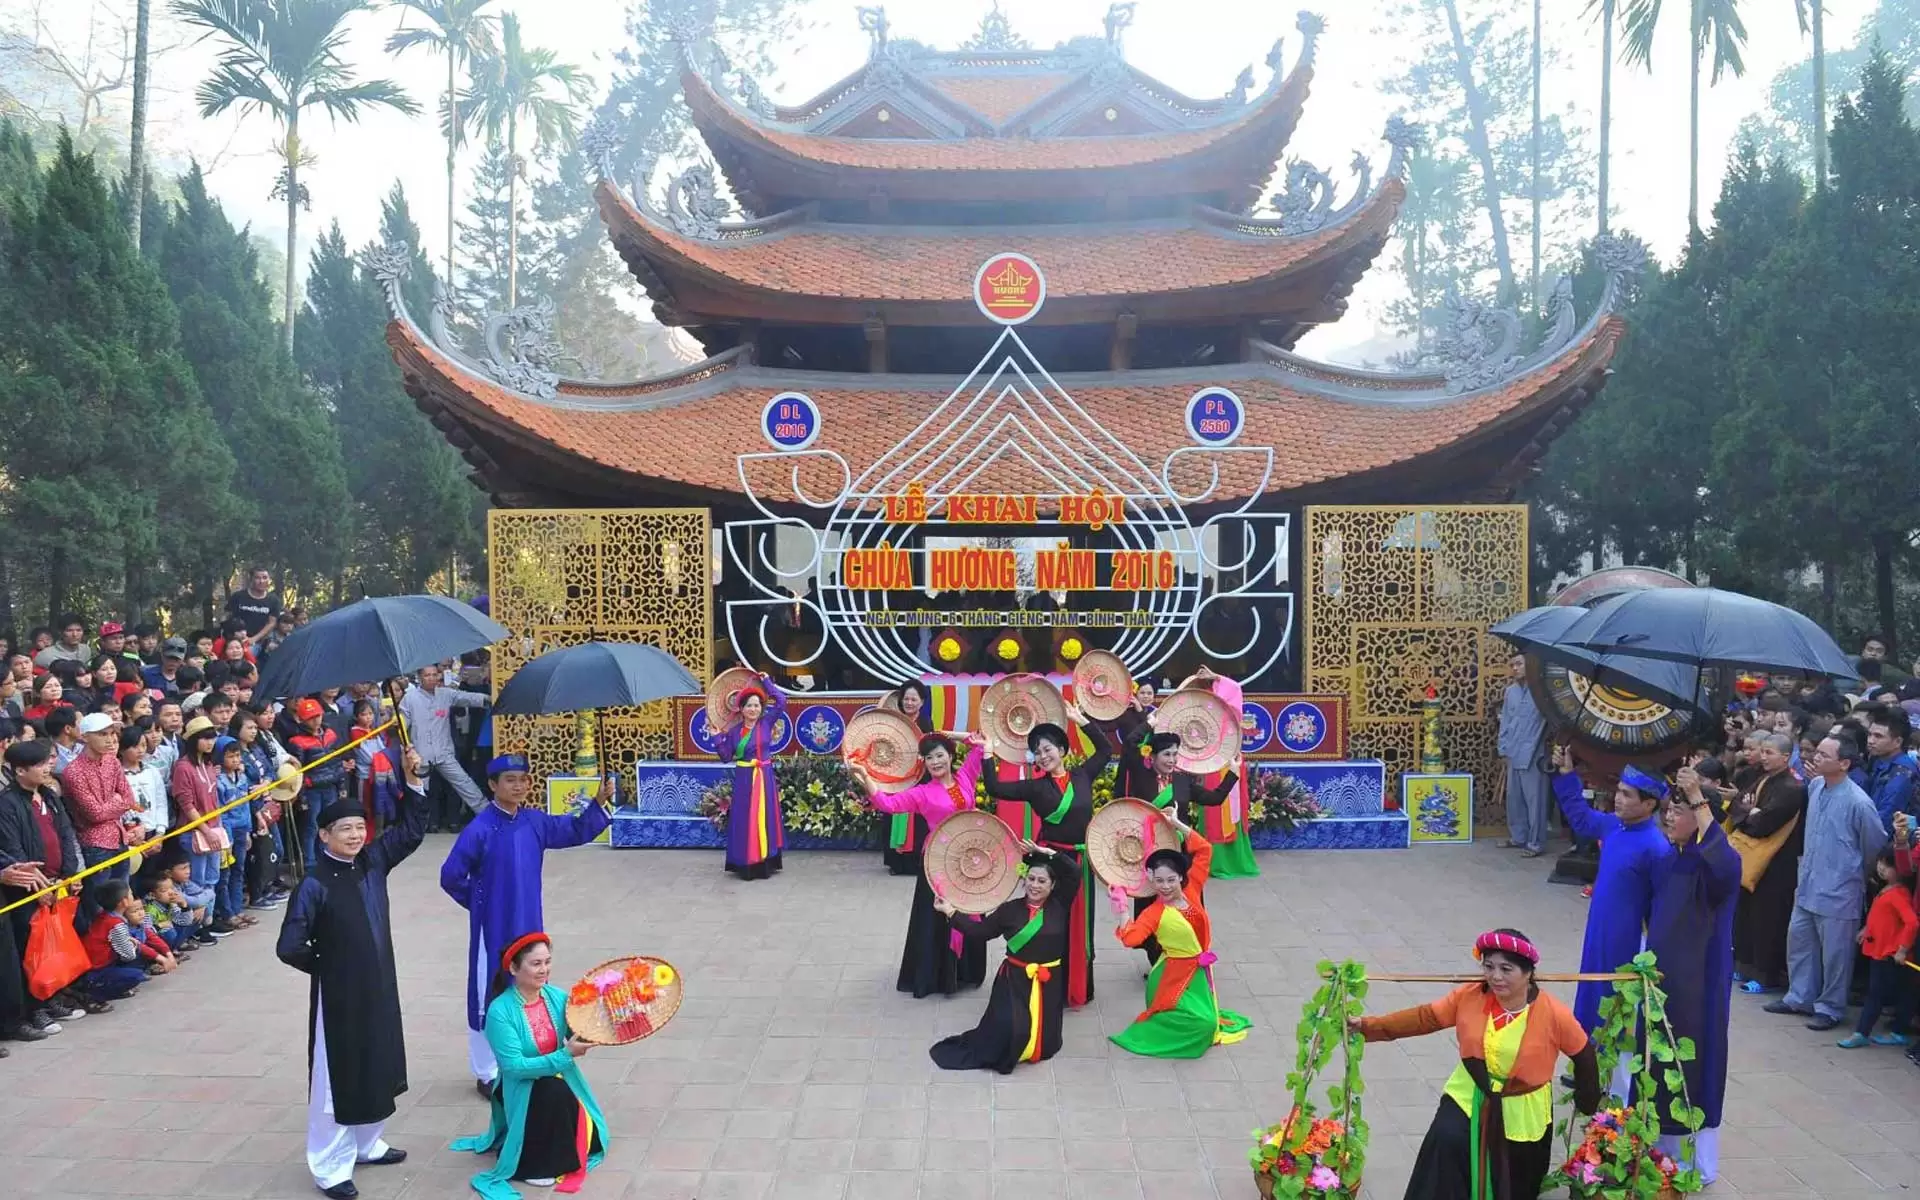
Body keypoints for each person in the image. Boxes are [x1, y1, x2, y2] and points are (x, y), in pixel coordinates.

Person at [276, 747, 429, 1200]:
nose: (355, 835)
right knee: (336, 1080)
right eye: (345, 829)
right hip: (339, 998)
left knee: (377, 1063)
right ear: (324, 835)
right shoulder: (314, 882)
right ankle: (329, 1167)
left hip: (380, 985)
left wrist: (412, 780)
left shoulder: (372, 862)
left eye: (360, 827)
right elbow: (289, 946)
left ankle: (368, 1142)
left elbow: (413, 831)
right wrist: (330, 968)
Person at [1353, 930, 1601, 1200]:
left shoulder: (1553, 1013)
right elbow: (1425, 1018)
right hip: (1470, 1091)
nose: (1495, 977)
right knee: (1446, 1143)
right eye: (1489, 966)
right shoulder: (1470, 996)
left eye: (1507, 969)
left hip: (1521, 1106)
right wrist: (1368, 1027)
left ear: (1529, 972)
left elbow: (1584, 1055)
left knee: (1513, 1178)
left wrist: (1587, 1099)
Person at [441, 754, 611, 1098]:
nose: (518, 786)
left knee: (529, 988)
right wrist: (481, 904)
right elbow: (451, 876)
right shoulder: (479, 830)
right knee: (490, 992)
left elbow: (573, 830)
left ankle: (526, 1056)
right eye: (509, 780)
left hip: (529, 925)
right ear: (492, 785)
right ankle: (487, 1072)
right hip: (494, 929)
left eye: (523, 779)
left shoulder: (534, 822)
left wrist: (599, 802)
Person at [451, 934, 609, 1197]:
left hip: (557, 1079)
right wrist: (565, 1055)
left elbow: (576, 1031)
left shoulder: (556, 997)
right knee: (553, 1092)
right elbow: (515, 1067)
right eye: (536, 964)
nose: (544, 969)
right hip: (520, 1086)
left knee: (591, 1139)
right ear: (514, 968)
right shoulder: (500, 1012)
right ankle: (534, 1163)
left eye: (547, 962)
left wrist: (600, 1022)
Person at [981, 710, 1110, 1008]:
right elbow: (995, 788)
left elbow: (1104, 749)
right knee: (1053, 923)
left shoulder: (1082, 775)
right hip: (1051, 863)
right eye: (1037, 752)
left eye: (1047, 749)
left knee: (1081, 923)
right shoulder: (1035, 787)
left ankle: (1078, 984)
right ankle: (1051, 984)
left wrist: (1081, 720)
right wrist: (988, 753)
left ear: (1062, 750)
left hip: (1079, 861)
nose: (1042, 755)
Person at [1647, 776, 1741, 1185]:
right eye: (1668, 809)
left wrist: (1701, 799)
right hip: (1664, 980)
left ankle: (1696, 1161)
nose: (1669, 816)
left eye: (1679, 810)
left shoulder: (1718, 864)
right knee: (1661, 1060)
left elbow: (1724, 864)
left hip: (1699, 982)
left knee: (1696, 1061)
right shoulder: (1668, 859)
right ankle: (1662, 1149)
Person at [847, 731, 990, 998]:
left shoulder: (966, 777)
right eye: (929, 758)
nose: (935, 762)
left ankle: (965, 973)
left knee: (969, 911)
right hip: (936, 863)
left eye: (940, 755)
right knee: (935, 920)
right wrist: (865, 776)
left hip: (968, 861)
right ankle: (934, 978)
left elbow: (980, 743)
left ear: (950, 756)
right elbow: (887, 804)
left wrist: (945, 734)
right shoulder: (922, 793)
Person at [1766, 734, 1888, 1031]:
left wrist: (1853, 875)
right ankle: (1799, 997)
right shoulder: (1817, 786)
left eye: (1823, 755)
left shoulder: (1860, 802)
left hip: (1840, 889)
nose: (1815, 758)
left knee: (1836, 954)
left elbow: (1874, 845)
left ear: (1844, 763)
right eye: (1815, 752)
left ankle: (1830, 1007)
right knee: (1800, 942)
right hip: (1808, 880)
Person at [1110, 809, 1251, 1058]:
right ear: (1152, 881)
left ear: (1181, 878)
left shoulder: (1193, 891)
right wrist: (1122, 909)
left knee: (1206, 1020)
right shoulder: (1154, 913)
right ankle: (1160, 1031)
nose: (1165, 887)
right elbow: (1131, 939)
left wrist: (1177, 824)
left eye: (1171, 880)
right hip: (1171, 975)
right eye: (1159, 881)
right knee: (1206, 1024)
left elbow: (1205, 849)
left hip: (1197, 972)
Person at [1550, 747, 1673, 1031]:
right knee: (1590, 989)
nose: (1618, 798)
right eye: (1619, 791)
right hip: (1600, 927)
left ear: (1649, 805)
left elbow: (1661, 906)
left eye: (1627, 795)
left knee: (1614, 999)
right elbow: (1581, 818)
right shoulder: (1615, 826)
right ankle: (1584, 1055)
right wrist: (1568, 775)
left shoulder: (1657, 848)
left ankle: (1606, 1064)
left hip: (1627, 937)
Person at [929, 846, 1079, 1073]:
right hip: (1014, 980)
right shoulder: (1010, 910)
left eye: (1042, 881)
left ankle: (1041, 1046)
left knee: (1045, 1033)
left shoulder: (1060, 904)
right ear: (1024, 879)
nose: (1035, 885)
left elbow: (1074, 872)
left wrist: (1046, 851)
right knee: (1009, 1029)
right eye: (1031, 879)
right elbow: (980, 933)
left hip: (1049, 979)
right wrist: (950, 912)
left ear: (1053, 885)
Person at [1724, 732, 1806, 995]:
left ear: (1786, 756)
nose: (1764, 757)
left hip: (1777, 864)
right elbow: (1736, 807)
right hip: (1752, 859)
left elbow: (1764, 824)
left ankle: (1766, 975)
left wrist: (1750, 813)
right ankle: (1743, 965)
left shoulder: (1792, 787)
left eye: (1770, 753)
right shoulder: (1762, 778)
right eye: (1764, 751)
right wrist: (1750, 812)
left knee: (1768, 920)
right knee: (1745, 916)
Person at [1176, 666, 1259, 878]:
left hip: (1227, 757)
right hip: (1206, 759)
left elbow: (1235, 689)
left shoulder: (1225, 704)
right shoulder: (1197, 706)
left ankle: (1228, 861)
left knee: (1227, 809)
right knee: (1211, 808)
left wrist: (1217, 677)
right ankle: (1209, 858)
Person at [1836, 848, 1916, 1050]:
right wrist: (1866, 929)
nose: (1881, 868)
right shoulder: (1887, 890)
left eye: (1888, 865)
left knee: (1877, 994)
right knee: (1898, 993)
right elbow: (1879, 915)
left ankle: (1862, 1032)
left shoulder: (1898, 894)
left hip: (1889, 955)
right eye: (1881, 862)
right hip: (1880, 951)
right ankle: (1896, 1031)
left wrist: (1902, 949)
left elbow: (1912, 923)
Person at [715, 673, 788, 881]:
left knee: (764, 818)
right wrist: (716, 738)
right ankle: (745, 862)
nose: (753, 709)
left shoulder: (767, 722)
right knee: (745, 819)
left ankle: (766, 861)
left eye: (757, 705)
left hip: (764, 777)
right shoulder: (735, 731)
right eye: (749, 706)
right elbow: (725, 757)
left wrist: (767, 682)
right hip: (745, 779)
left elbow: (782, 701)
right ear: (741, 709)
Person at [399, 664, 491, 820]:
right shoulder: (410, 698)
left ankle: (489, 816)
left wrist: (490, 697)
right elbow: (402, 727)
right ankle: (415, 823)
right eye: (427, 675)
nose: (432, 678)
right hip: (420, 755)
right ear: (420, 677)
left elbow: (468, 698)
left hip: (444, 752)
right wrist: (408, 748)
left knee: (465, 783)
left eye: (435, 674)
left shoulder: (445, 694)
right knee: (419, 791)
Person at [170, 716, 233, 936]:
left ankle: (208, 920)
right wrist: (206, 830)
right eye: (205, 738)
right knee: (196, 881)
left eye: (212, 738)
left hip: (214, 828)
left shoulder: (208, 765)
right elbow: (186, 804)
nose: (210, 742)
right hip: (194, 831)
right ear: (194, 739)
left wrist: (218, 829)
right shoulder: (183, 767)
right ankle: (196, 926)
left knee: (212, 878)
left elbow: (214, 800)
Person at [61, 711, 140, 882]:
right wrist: (117, 802)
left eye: (112, 733)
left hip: (119, 838)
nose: (110, 739)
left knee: (122, 898)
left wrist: (112, 804)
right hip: (94, 844)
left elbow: (129, 799)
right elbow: (95, 814)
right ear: (85, 737)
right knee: (98, 903)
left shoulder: (112, 761)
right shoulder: (74, 771)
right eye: (102, 734)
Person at [74, 878, 172, 1000]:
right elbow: (128, 955)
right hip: (97, 969)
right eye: (130, 894)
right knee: (136, 976)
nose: (132, 895)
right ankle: (93, 995)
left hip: (95, 965)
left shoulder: (105, 916)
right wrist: (134, 943)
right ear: (124, 902)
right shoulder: (116, 924)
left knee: (140, 953)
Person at [1498, 653, 1550, 857]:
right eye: (1512, 665)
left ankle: (1535, 843)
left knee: (1535, 800)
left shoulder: (1542, 692)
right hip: (1513, 750)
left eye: (1519, 664)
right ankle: (1518, 837)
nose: (1515, 668)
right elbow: (1506, 720)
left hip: (1534, 753)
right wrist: (1502, 747)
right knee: (1514, 798)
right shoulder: (1510, 692)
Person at [880, 680, 934, 875]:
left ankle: (915, 862)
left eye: (914, 699)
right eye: (906, 699)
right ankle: (896, 862)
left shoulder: (926, 722)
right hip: (896, 776)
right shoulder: (894, 720)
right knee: (895, 814)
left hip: (919, 777)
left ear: (922, 702)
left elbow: (930, 748)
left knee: (918, 820)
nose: (910, 703)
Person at [1864, 707, 1917, 836]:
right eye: (1869, 734)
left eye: (1878, 736)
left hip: (1893, 842)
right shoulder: (1878, 761)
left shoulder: (1903, 772)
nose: (1871, 741)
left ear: (1898, 741)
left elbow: (1887, 817)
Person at [226, 567, 284, 642]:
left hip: (260, 641)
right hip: (236, 640)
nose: (261, 581)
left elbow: (271, 623)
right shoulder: (238, 596)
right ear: (251, 579)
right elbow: (228, 616)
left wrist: (254, 639)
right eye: (257, 578)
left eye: (265, 578)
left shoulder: (274, 600)